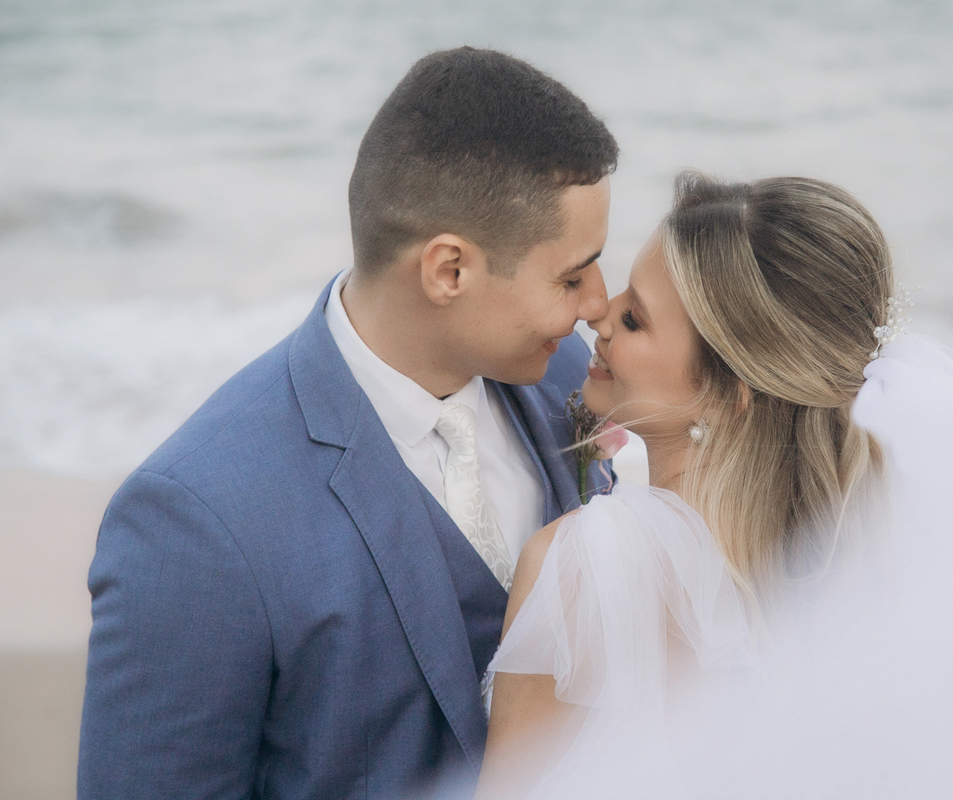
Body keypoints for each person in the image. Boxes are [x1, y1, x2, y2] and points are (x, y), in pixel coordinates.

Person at [476, 173, 953, 799]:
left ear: (733, 391)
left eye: (635, 318)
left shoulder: (586, 565)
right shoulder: (870, 561)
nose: (598, 316)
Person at [78, 47, 619, 799]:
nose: (598, 304)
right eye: (571, 275)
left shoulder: (566, 376)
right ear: (449, 270)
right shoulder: (196, 522)